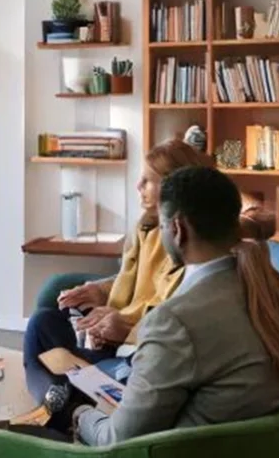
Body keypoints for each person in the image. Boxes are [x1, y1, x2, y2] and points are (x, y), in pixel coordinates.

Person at [70, 166, 279, 445]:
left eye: (161, 226)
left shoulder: (174, 321)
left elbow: (117, 442)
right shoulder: (275, 290)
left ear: (178, 228)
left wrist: (79, 414)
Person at [22, 140, 214, 403]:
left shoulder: (186, 242)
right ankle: (59, 398)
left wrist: (122, 324)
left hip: (134, 348)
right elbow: (132, 283)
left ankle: (61, 400)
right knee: (42, 322)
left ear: (173, 188)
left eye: (148, 181)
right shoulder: (144, 228)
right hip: (109, 337)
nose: (138, 187)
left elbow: (168, 315)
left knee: (51, 357)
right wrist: (97, 291)